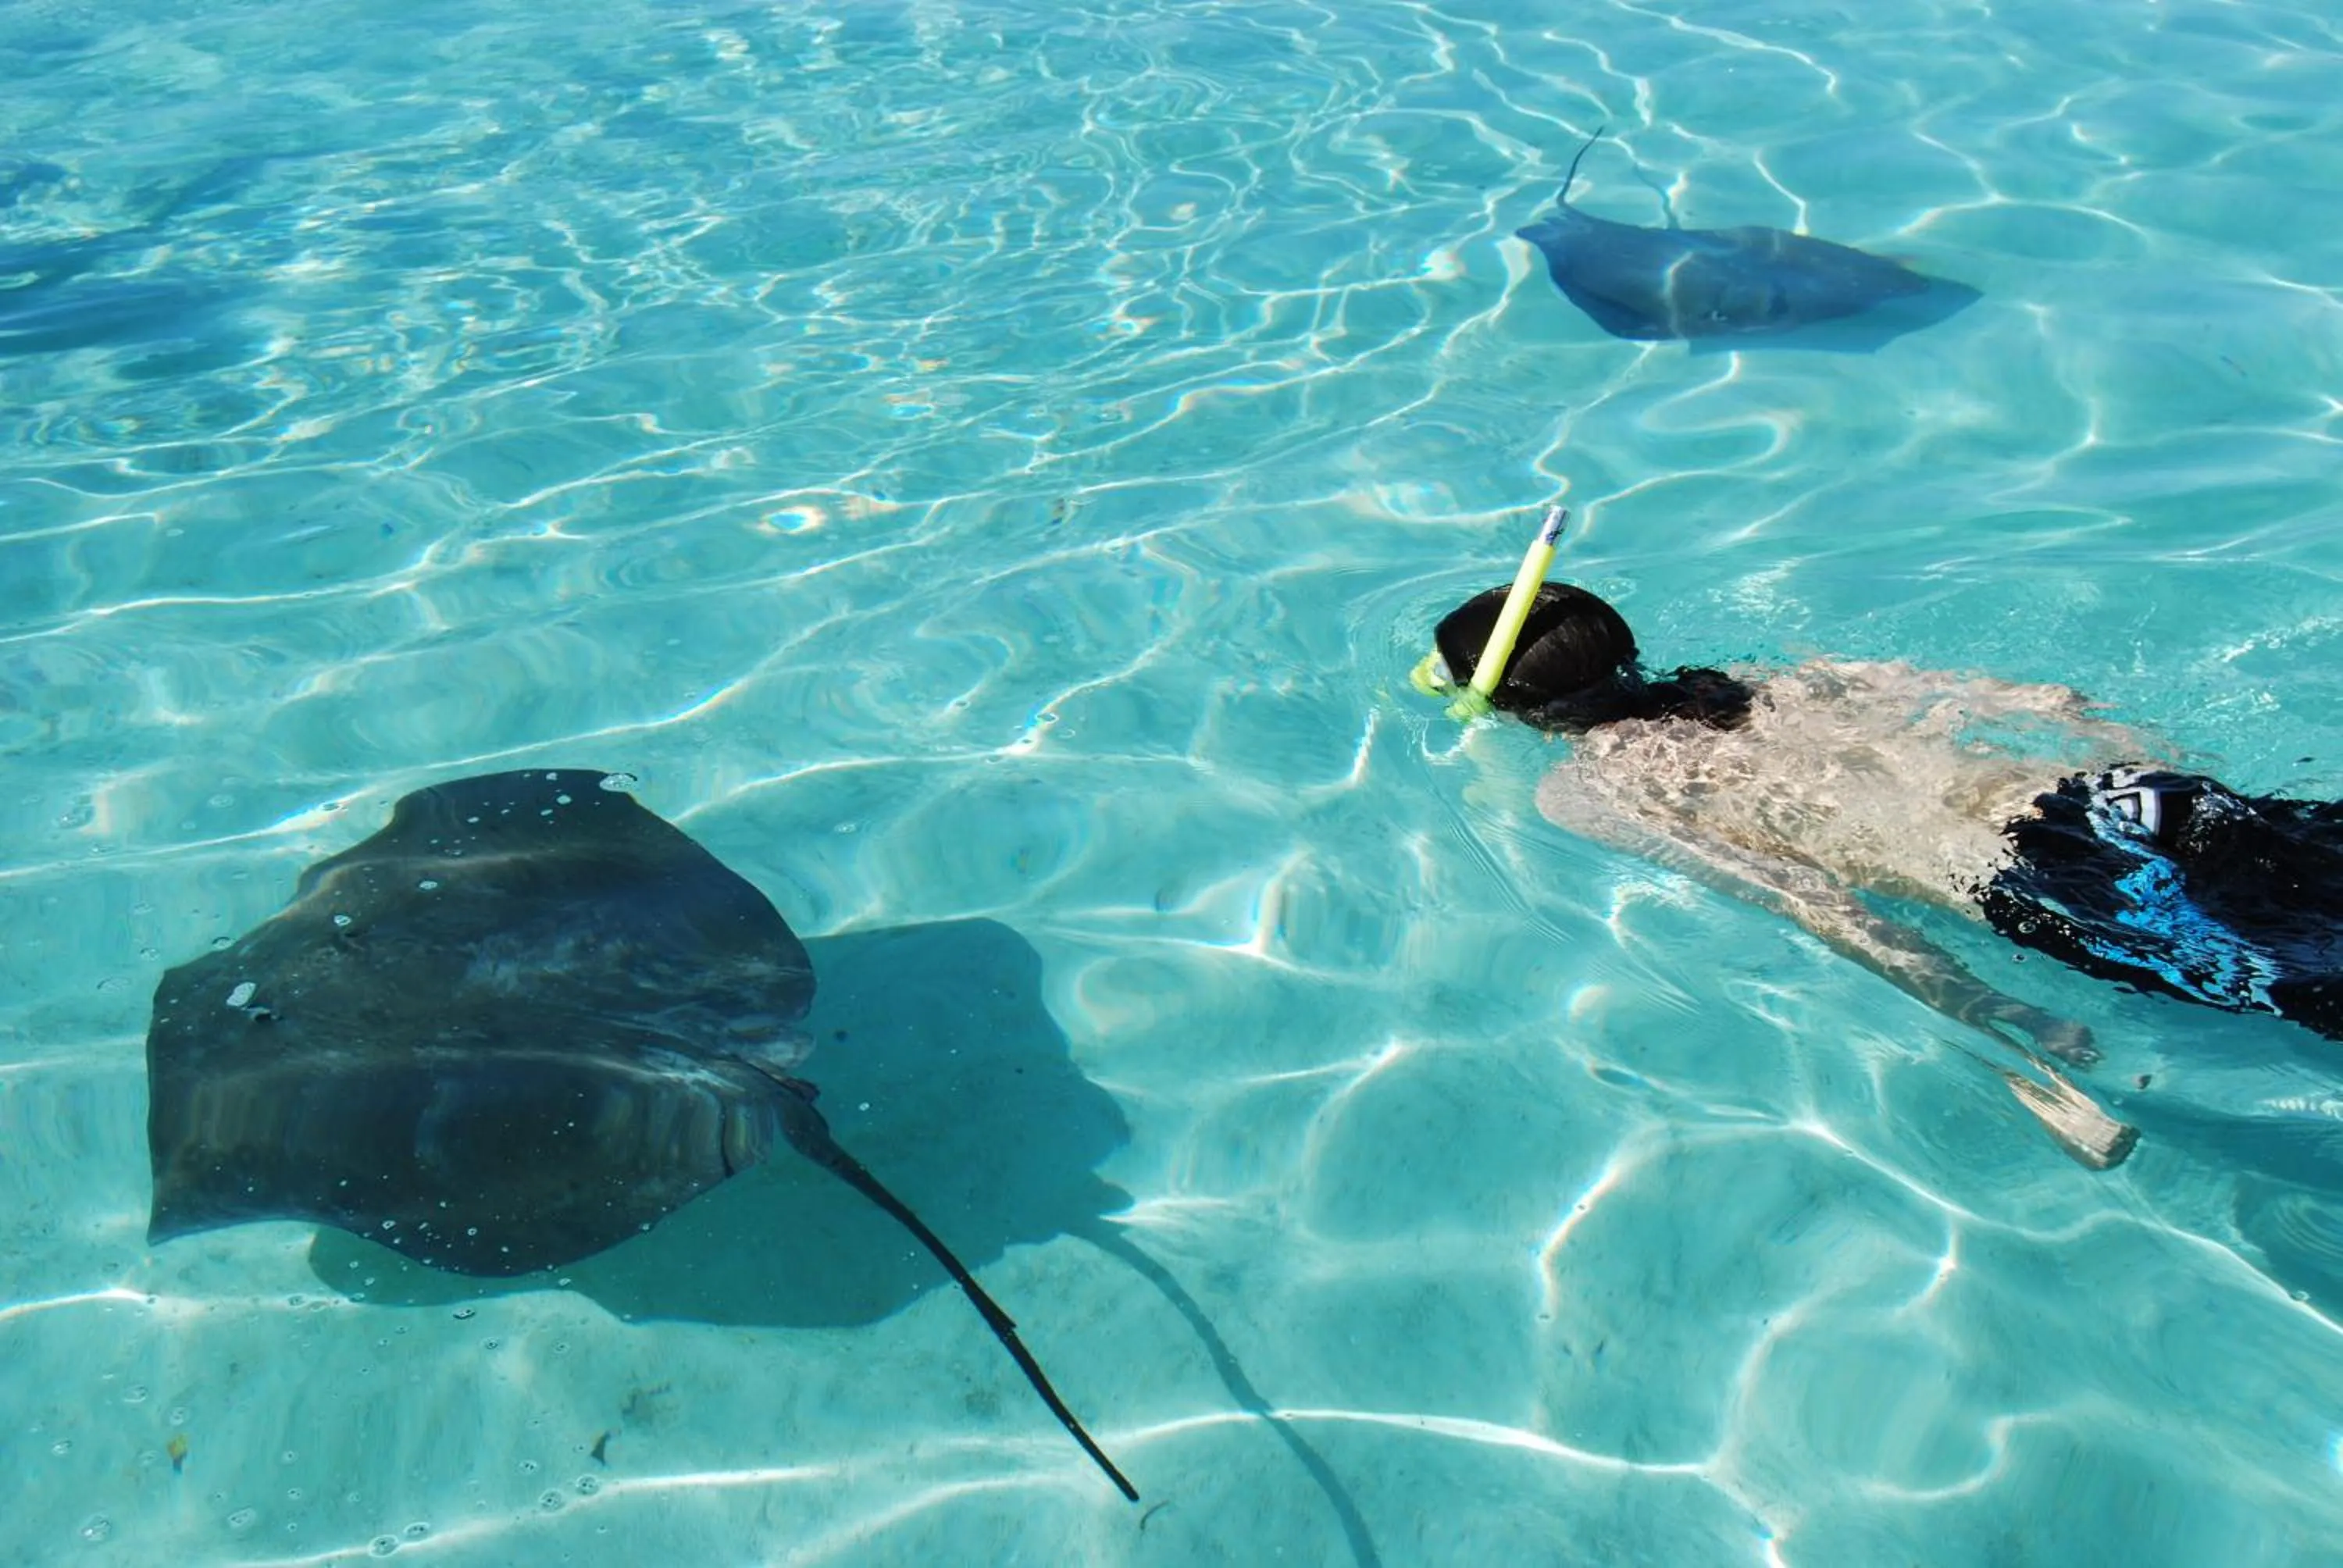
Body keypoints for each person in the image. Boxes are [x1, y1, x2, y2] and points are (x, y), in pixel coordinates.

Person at [1425, 578, 2343, 1169]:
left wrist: (2015, 1027)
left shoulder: (1594, 790)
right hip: (2127, 793)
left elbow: (1817, 905)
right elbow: (2042, 702)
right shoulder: (1755, 679)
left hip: (2051, 876)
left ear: (1507, 707)